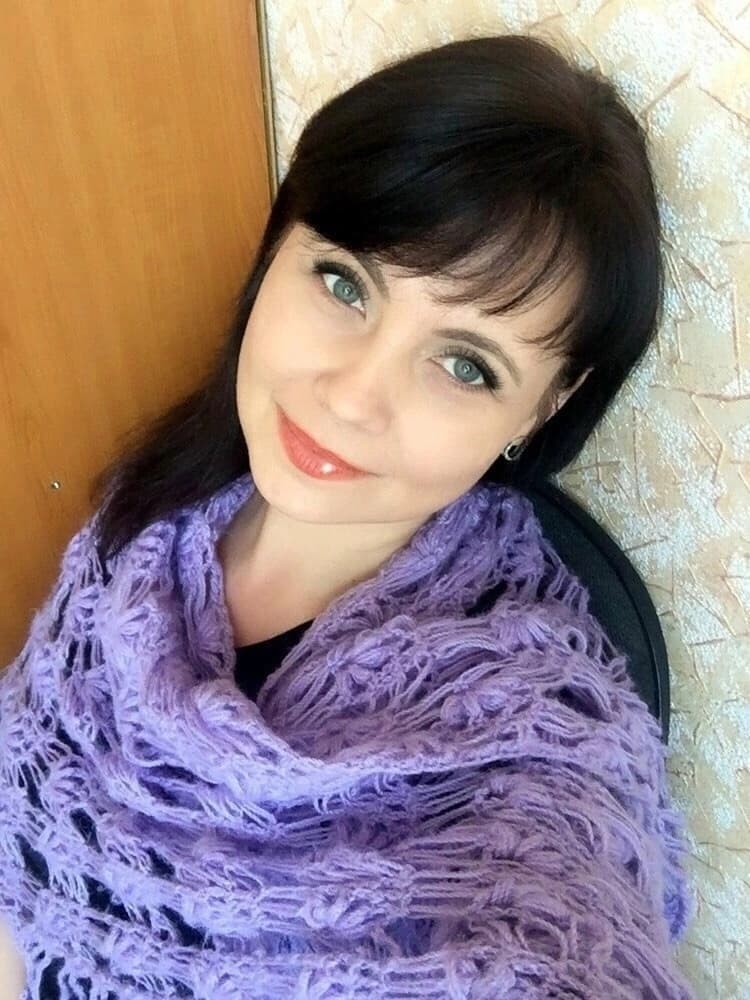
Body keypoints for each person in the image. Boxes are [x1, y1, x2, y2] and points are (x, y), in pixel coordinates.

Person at [0, 33, 695, 999]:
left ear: (542, 409)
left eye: (465, 364)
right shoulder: (149, 521)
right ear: (276, 246)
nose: (353, 396)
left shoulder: (535, 749)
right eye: (344, 283)